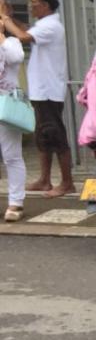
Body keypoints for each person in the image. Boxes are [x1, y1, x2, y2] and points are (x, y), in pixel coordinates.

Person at [0, 0, 74, 197]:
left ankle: (67, 182)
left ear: (46, 5)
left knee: (55, 134)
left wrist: (5, 19)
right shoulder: (43, 25)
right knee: (43, 135)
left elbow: (23, 37)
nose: (31, 5)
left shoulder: (51, 26)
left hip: (49, 90)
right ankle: (44, 179)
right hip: (41, 90)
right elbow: (27, 30)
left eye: (34, 2)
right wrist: (12, 19)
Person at [0, 13, 27, 222]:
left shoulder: (12, 42)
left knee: (11, 155)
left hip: (7, 105)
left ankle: (16, 201)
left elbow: (15, 58)